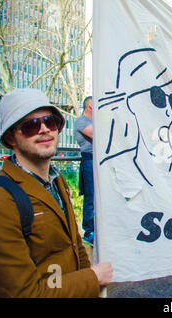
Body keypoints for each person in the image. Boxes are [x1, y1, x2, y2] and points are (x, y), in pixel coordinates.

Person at [0, 88, 112, 297]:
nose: (44, 129)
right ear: (11, 138)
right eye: (30, 126)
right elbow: (23, 293)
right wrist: (93, 278)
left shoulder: (56, 180)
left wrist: (88, 279)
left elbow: (75, 245)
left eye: (50, 122)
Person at [74, 96, 95, 246]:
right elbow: (97, 135)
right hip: (89, 160)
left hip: (97, 161)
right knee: (91, 196)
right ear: (90, 106)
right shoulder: (82, 121)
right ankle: (89, 231)